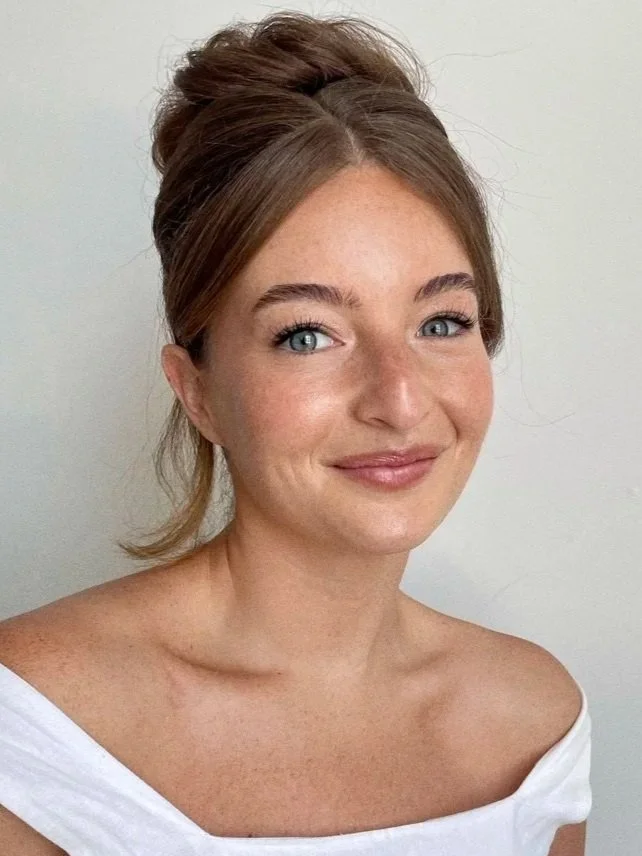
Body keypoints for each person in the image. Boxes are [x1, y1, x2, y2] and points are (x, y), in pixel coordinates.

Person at [0, 10, 591, 855]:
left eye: (442, 321)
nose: (398, 399)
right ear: (196, 389)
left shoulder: (536, 726)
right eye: (307, 334)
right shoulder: (31, 730)